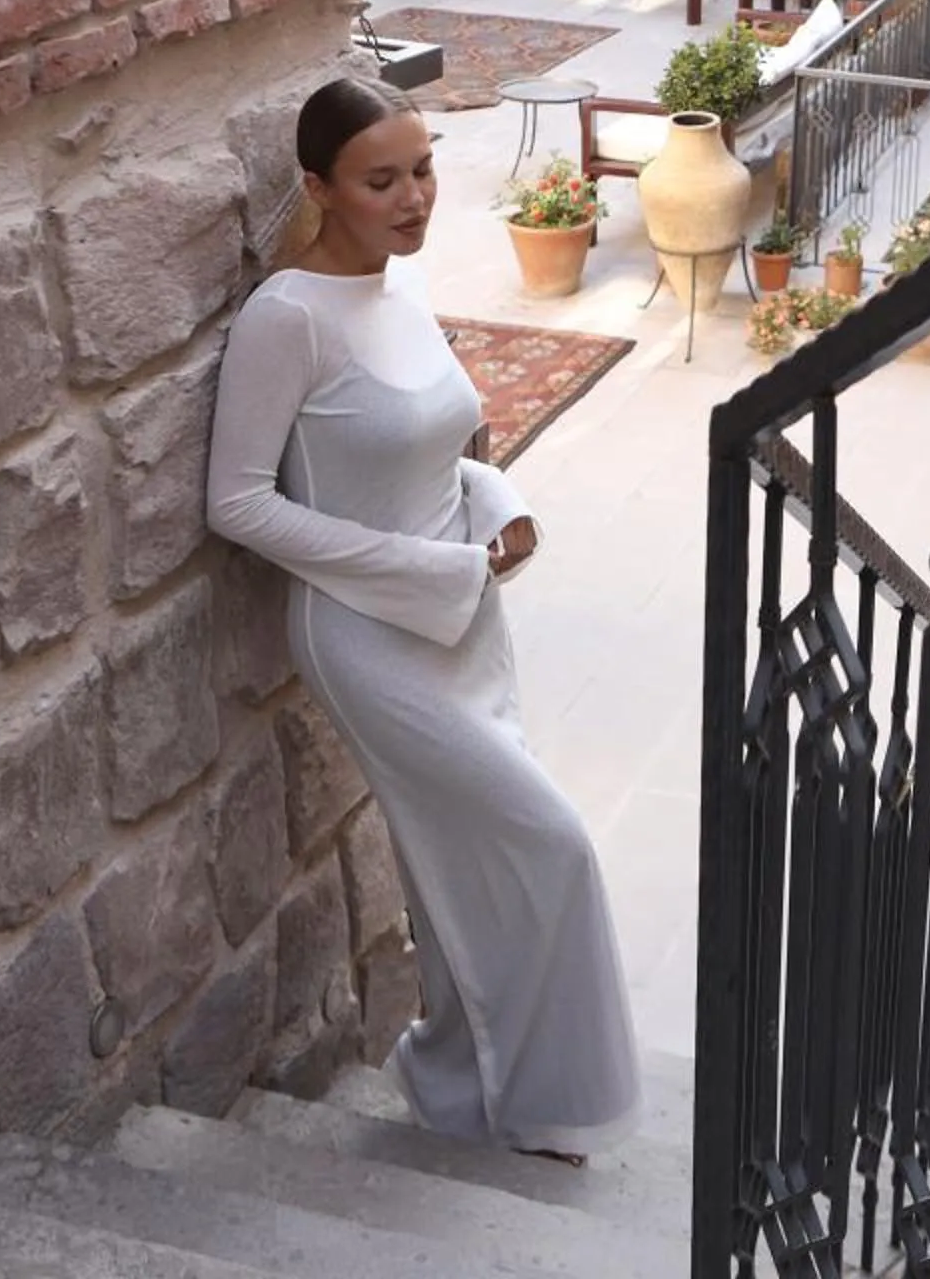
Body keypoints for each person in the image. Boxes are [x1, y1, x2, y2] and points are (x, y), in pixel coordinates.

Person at [206, 76, 639, 1164]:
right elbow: (238, 504)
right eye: (381, 181)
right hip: (368, 639)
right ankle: (529, 1092)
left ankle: (464, 1081)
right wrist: (429, 566)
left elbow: (440, 447)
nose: (413, 199)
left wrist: (500, 504)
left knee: (459, 862)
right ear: (318, 187)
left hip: (461, 615)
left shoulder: (399, 284)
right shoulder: (286, 317)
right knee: (550, 843)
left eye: (424, 170)